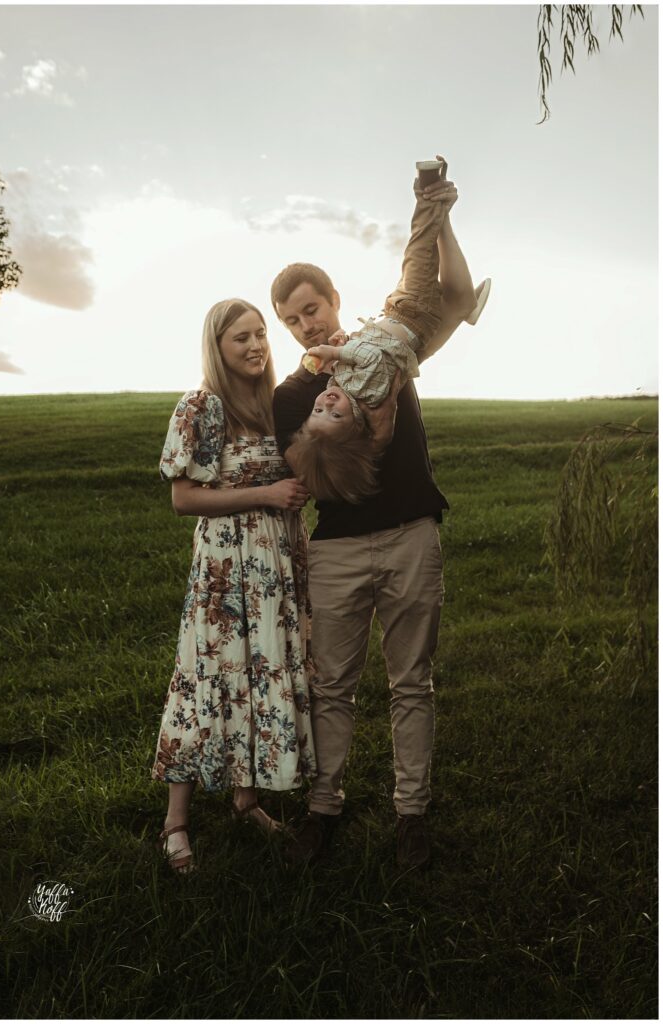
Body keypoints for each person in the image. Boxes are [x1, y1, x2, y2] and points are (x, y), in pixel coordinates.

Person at [271, 156, 485, 869]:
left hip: (411, 535)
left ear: (334, 299)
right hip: (336, 551)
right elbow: (318, 483)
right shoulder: (292, 397)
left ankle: (410, 815)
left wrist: (439, 213)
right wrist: (366, 427)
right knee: (331, 685)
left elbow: (445, 296)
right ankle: (324, 808)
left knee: (410, 681)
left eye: (313, 308)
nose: (306, 323)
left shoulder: (382, 350)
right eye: (292, 318)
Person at [151, 298, 317, 874]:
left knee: (259, 674)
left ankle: (247, 800)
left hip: (275, 569)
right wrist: (266, 496)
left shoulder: (274, 408)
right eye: (239, 338)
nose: (255, 346)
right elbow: (183, 498)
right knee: (208, 679)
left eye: (260, 335)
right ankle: (176, 823)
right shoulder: (203, 406)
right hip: (225, 574)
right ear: (217, 348)